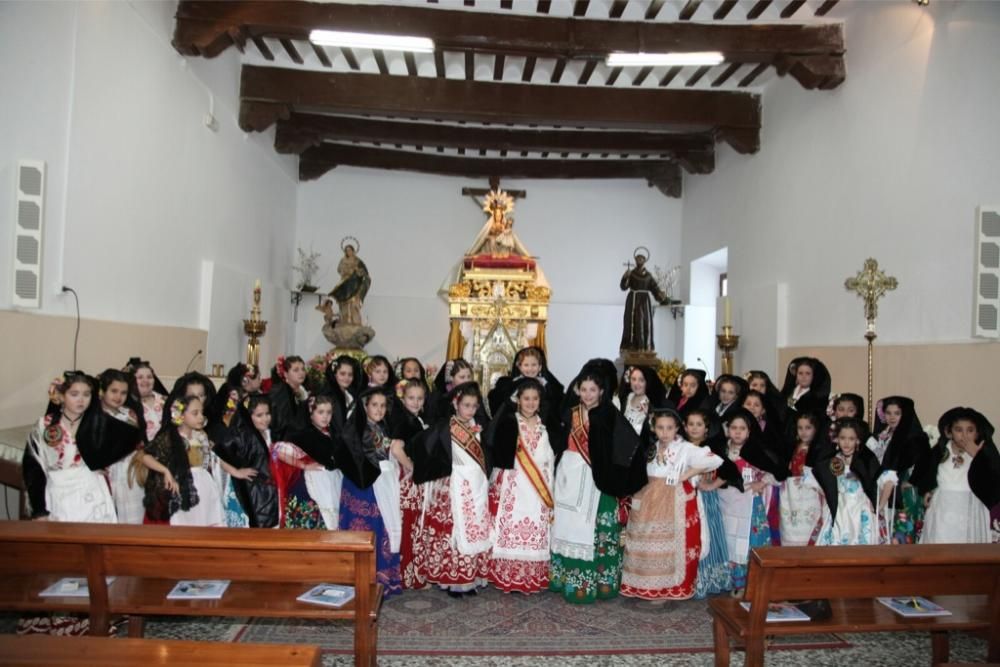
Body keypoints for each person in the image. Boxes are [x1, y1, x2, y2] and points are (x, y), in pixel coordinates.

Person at [549, 369, 647, 604]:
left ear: (601, 391)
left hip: (599, 478)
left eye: (593, 390)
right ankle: (568, 581)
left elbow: (628, 445)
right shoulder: (570, 413)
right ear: (577, 390)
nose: (588, 394)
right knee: (568, 524)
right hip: (569, 474)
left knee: (599, 526)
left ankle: (602, 583)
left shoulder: (608, 413)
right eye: (583, 390)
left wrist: (616, 472)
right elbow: (559, 441)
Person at [620, 410, 722, 602]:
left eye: (669, 428)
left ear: (677, 428)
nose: (665, 432)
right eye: (660, 427)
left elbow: (713, 460)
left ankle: (665, 589)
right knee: (646, 541)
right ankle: (644, 585)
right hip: (649, 497)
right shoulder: (650, 448)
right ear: (653, 428)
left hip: (672, 499)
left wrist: (685, 475)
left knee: (667, 544)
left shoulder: (684, 448)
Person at [405, 382, 492, 596]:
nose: (470, 410)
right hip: (453, 488)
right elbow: (423, 446)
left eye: (474, 406)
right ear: (456, 404)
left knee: (473, 530)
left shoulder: (477, 427)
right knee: (452, 533)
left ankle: (469, 578)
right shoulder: (445, 426)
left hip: (475, 487)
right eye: (466, 405)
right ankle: (453, 579)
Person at [484, 378, 556, 594]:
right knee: (511, 527)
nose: (531, 402)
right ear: (518, 400)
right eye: (526, 398)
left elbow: (549, 456)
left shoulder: (544, 425)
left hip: (537, 489)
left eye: (535, 398)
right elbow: (501, 454)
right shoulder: (509, 421)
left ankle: (531, 578)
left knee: (534, 527)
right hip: (514, 486)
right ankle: (509, 576)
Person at [141, 394, 255, 527]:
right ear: (180, 415)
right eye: (195, 413)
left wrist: (235, 472)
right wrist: (166, 471)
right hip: (184, 485)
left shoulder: (201, 436)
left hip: (205, 484)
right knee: (186, 523)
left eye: (202, 413)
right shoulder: (172, 437)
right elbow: (145, 456)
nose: (201, 417)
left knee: (207, 520)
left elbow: (215, 458)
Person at [337, 387, 404, 597]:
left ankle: (381, 580)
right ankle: (363, 581)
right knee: (367, 530)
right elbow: (376, 451)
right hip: (363, 488)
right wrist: (396, 448)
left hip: (377, 485)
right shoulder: (359, 428)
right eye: (374, 405)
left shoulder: (379, 426)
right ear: (365, 406)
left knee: (379, 529)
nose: (379, 409)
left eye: (383, 405)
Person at [715, 409, 781, 593]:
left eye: (742, 428)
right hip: (725, 503)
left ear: (749, 431)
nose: (737, 432)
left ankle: (751, 584)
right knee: (727, 541)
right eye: (734, 427)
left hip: (750, 505)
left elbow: (778, 473)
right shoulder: (721, 451)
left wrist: (763, 481)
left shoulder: (756, 451)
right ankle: (731, 582)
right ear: (727, 430)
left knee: (750, 541)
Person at [916, 408, 999, 544]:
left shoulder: (984, 454)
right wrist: (929, 490)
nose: (964, 435)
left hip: (971, 508)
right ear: (949, 432)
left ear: (977, 433)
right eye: (959, 430)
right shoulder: (941, 451)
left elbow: (992, 482)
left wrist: (978, 457)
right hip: (943, 508)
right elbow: (928, 473)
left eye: (970, 430)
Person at [281, 395, 355, 530]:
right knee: (319, 522)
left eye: (329, 412)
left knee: (335, 520)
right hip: (315, 481)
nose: (325, 416)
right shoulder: (303, 434)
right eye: (320, 412)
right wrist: (303, 465)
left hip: (333, 479)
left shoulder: (333, 432)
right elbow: (278, 450)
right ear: (311, 412)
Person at [687, 409, 739, 599]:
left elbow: (731, 471)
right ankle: (689, 580)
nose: (694, 428)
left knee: (709, 534)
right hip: (686, 501)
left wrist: (712, 485)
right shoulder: (681, 448)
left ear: (706, 429)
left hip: (706, 501)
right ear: (684, 427)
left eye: (699, 424)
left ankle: (709, 579)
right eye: (691, 424)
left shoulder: (711, 450)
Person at [807, 418, 881, 546]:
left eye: (851, 439)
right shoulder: (833, 460)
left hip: (860, 508)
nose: (846, 443)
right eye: (842, 438)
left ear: (858, 440)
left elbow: (874, 483)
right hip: (839, 507)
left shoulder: (865, 460)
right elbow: (821, 481)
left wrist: (873, 503)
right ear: (837, 439)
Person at [870, 396, 930, 544]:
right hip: (882, 487)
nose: (892, 417)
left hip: (904, 491)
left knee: (902, 531)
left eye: (897, 413)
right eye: (889, 413)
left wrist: (912, 481)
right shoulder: (883, 435)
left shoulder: (915, 436)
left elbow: (925, 462)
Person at [217, 395, 279, 528]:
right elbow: (217, 454)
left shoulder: (271, 433)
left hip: (269, 491)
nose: (265, 419)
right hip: (248, 492)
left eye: (267, 414)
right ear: (248, 416)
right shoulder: (241, 434)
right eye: (259, 415)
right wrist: (236, 472)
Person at [97, 369, 146, 524]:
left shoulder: (129, 413)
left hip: (131, 470)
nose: (119, 397)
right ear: (102, 391)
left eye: (123, 393)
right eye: (114, 391)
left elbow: (138, 441)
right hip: (108, 469)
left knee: (134, 516)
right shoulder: (95, 415)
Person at [779, 413, 827, 546]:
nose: (804, 432)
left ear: (815, 429)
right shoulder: (794, 447)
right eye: (800, 428)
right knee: (792, 529)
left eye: (808, 428)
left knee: (808, 529)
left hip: (810, 493)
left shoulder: (819, 450)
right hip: (792, 495)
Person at [487, 346, 565, 420]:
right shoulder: (515, 384)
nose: (530, 369)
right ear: (520, 367)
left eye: (534, 365)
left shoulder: (545, 384)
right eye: (526, 365)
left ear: (540, 367)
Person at [619, 249, 670, 353]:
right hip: (632, 300)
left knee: (644, 323)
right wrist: (625, 277)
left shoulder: (648, 276)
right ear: (635, 260)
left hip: (644, 302)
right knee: (630, 323)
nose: (639, 260)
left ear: (645, 260)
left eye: (642, 259)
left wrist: (661, 296)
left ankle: (644, 348)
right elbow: (623, 287)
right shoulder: (631, 274)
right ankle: (630, 346)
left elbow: (655, 288)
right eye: (638, 259)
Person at [617, 365, 670, 435]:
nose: (636, 383)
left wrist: (650, 415)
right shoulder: (625, 399)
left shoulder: (654, 404)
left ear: (647, 383)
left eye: (641, 380)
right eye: (633, 379)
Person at [125, 358, 167, 442]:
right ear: (132, 381)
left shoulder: (167, 400)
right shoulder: (127, 405)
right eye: (140, 377)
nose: (145, 380)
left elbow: (179, 426)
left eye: (149, 377)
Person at [269, 355, 310, 441]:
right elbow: (281, 424)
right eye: (296, 370)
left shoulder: (301, 391)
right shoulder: (281, 392)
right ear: (285, 374)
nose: (301, 373)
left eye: (303, 369)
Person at [330, 242, 371, 326]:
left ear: (353, 251)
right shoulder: (343, 260)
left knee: (353, 302)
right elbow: (339, 269)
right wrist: (345, 270)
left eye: (350, 250)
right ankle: (345, 319)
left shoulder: (357, 260)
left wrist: (357, 270)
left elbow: (364, 272)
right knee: (343, 300)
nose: (348, 252)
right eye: (346, 250)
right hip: (345, 281)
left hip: (354, 282)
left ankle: (354, 320)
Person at [780, 357, 831, 424]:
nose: (803, 377)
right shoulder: (788, 392)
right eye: (800, 373)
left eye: (808, 373)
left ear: (813, 376)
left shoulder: (817, 397)